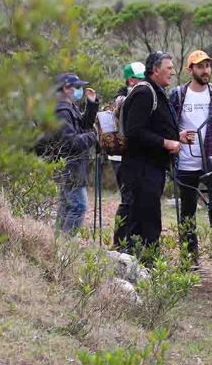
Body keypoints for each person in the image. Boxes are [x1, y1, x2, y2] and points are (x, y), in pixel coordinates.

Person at [169, 50, 212, 274]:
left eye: (208, 65)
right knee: (187, 211)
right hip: (186, 161)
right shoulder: (178, 95)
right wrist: (176, 137)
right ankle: (190, 256)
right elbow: (167, 125)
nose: (206, 70)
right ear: (190, 70)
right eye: (200, 66)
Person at [121, 51, 180, 260]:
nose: (172, 72)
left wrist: (177, 137)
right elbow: (134, 131)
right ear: (155, 69)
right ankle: (144, 269)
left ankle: (142, 266)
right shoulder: (145, 93)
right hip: (141, 169)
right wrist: (166, 142)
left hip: (152, 168)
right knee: (145, 221)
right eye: (169, 68)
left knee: (146, 218)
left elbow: (153, 126)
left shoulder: (156, 92)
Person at [53, 72, 99, 235]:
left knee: (66, 206)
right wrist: (93, 137)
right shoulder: (62, 112)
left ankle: (56, 245)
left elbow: (83, 125)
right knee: (78, 206)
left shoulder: (70, 108)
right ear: (66, 88)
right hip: (69, 167)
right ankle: (64, 246)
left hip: (74, 166)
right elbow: (70, 142)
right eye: (77, 87)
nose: (80, 90)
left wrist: (91, 105)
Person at [109, 61, 146, 249]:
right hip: (121, 158)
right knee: (128, 200)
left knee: (136, 200)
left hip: (134, 158)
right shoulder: (122, 98)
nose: (142, 81)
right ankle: (120, 242)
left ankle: (132, 240)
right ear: (130, 79)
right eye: (139, 78)